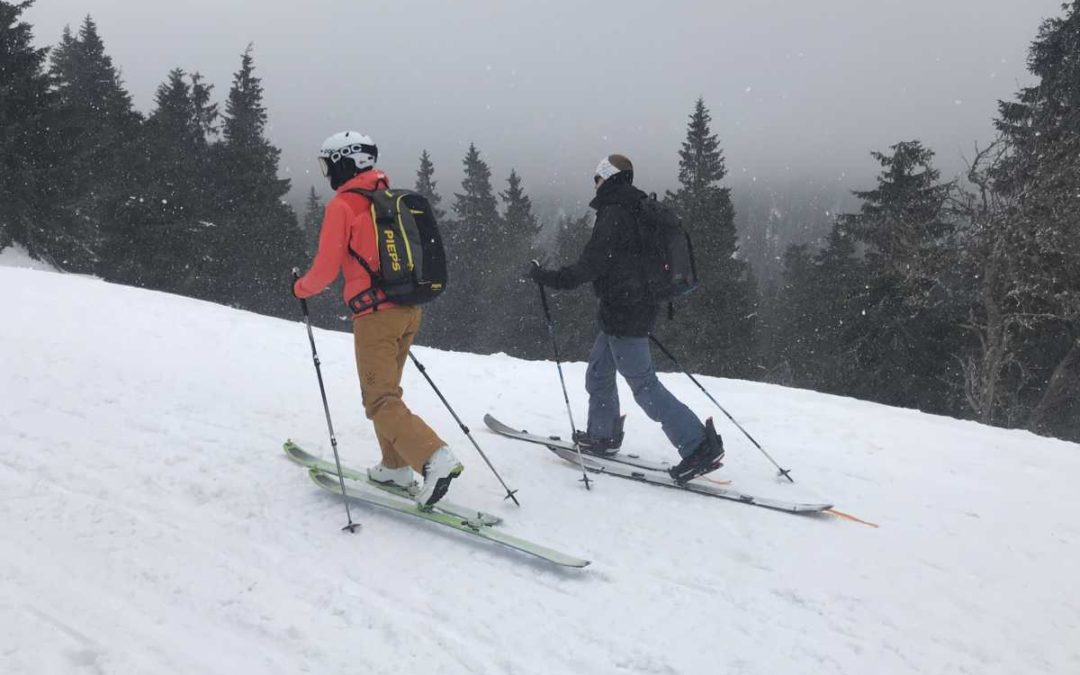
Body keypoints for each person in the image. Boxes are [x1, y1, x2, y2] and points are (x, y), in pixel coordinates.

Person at [527, 154, 724, 482]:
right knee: (599, 374)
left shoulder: (615, 212)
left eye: (596, 178)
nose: (595, 184)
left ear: (606, 176)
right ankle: (602, 435)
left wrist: (547, 277)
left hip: (626, 311)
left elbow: (590, 266)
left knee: (644, 385)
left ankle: (697, 445)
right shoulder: (639, 207)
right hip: (630, 307)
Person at [293, 130, 463, 507]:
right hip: (408, 310)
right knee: (389, 392)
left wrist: (299, 288)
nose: (327, 174)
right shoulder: (387, 200)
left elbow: (324, 271)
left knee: (379, 399)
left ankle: (434, 457)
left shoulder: (344, 206)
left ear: (343, 162)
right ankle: (395, 467)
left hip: (375, 317)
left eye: (328, 165)